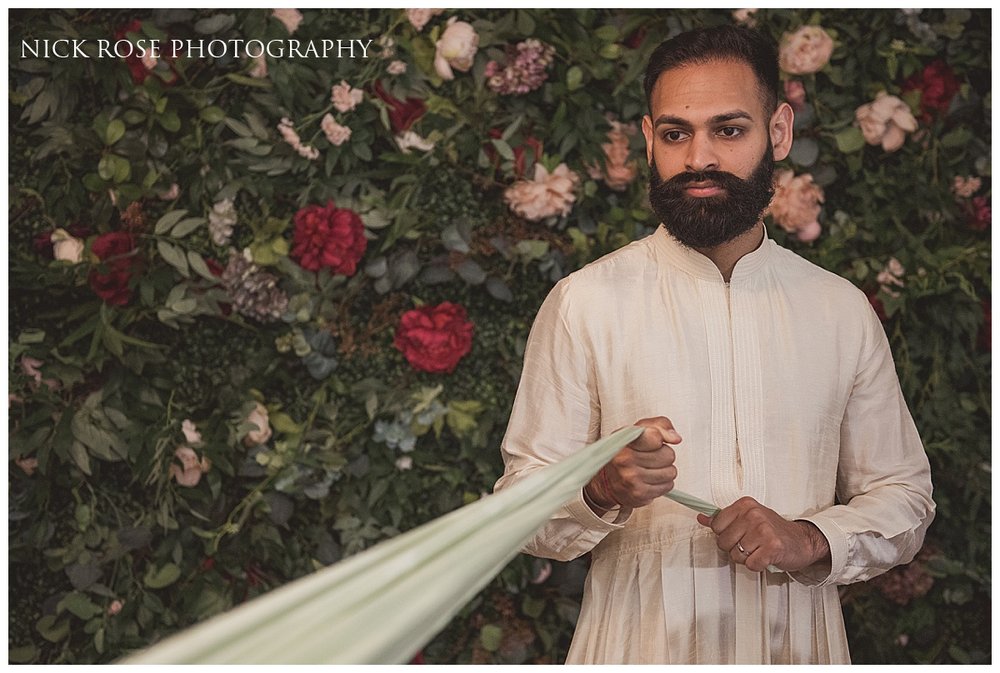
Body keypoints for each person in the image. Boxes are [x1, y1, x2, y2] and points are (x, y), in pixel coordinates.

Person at [494, 25, 934, 664]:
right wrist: (598, 490)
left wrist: (809, 538)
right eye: (676, 134)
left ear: (777, 131)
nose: (699, 158)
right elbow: (518, 506)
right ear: (649, 140)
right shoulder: (584, 303)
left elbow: (904, 496)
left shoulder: (838, 310)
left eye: (729, 130)